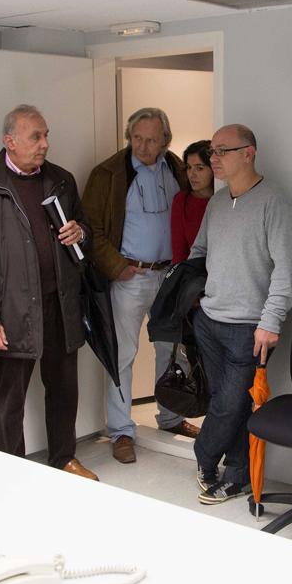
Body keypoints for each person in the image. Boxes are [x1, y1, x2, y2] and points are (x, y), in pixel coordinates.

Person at [0, 104, 94, 479]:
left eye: (46, 135)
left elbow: (86, 231)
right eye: (36, 137)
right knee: (10, 400)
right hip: (12, 312)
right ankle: (11, 473)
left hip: (60, 306)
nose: (45, 144)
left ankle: (64, 458)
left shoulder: (61, 180)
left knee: (64, 390)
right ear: (10, 141)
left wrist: (80, 233)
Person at [189, 123, 292, 504]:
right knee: (226, 404)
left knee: (230, 404)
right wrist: (194, 297)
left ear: (248, 153)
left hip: (249, 328)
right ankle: (236, 476)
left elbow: (288, 269)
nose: (213, 158)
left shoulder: (274, 203)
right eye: (212, 150)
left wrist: (270, 322)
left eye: (222, 150)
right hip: (209, 321)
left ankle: (204, 455)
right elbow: (199, 252)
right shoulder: (217, 203)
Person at [82, 108, 199, 466]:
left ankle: (170, 418)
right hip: (130, 277)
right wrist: (117, 267)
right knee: (123, 354)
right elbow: (90, 229)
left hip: (169, 277)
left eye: (151, 140)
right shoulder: (108, 174)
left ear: (165, 140)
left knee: (171, 351)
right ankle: (121, 430)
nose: (143, 146)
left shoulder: (177, 168)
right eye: (137, 138)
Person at [171, 139, 215, 263]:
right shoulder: (181, 200)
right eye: (189, 167)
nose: (191, 174)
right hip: (194, 272)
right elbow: (179, 253)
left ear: (214, 169)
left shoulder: (225, 199)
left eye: (199, 168)